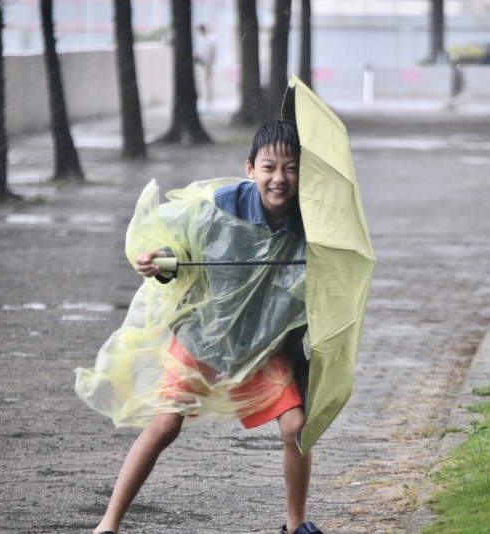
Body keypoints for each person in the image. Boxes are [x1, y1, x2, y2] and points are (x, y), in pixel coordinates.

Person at [76, 120, 323, 534]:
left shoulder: (311, 222)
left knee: (296, 427)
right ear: (250, 169)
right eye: (269, 167)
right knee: (165, 424)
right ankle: (108, 524)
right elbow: (183, 246)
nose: (279, 178)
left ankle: (295, 525)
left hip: (259, 345)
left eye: (291, 168)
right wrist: (161, 263)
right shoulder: (223, 205)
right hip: (203, 335)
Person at [193, 24, 216, 109]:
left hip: (207, 64)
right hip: (202, 63)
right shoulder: (202, 40)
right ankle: (207, 98)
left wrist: (209, 64)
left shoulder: (209, 40)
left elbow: (211, 53)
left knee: (207, 81)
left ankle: (209, 98)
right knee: (205, 81)